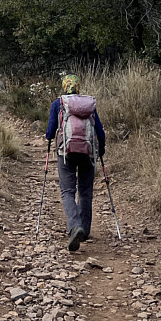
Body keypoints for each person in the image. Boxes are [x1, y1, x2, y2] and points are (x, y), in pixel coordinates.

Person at [45, 74, 106, 252]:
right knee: (85, 192)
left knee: (67, 191)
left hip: (66, 153)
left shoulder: (58, 103)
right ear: (78, 87)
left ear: (64, 86)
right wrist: (100, 150)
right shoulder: (88, 104)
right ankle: (84, 230)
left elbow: (50, 131)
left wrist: (50, 139)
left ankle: (74, 226)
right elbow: (99, 131)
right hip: (88, 153)